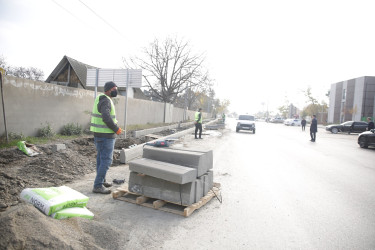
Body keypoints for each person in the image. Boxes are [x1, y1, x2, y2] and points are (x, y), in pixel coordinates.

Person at [90, 81, 122, 194]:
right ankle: (98, 185)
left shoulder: (101, 98)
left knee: (100, 159)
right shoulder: (105, 100)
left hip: (99, 135)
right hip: (106, 136)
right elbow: (106, 117)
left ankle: (101, 181)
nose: (116, 91)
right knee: (107, 161)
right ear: (108, 90)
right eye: (114, 88)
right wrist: (116, 129)